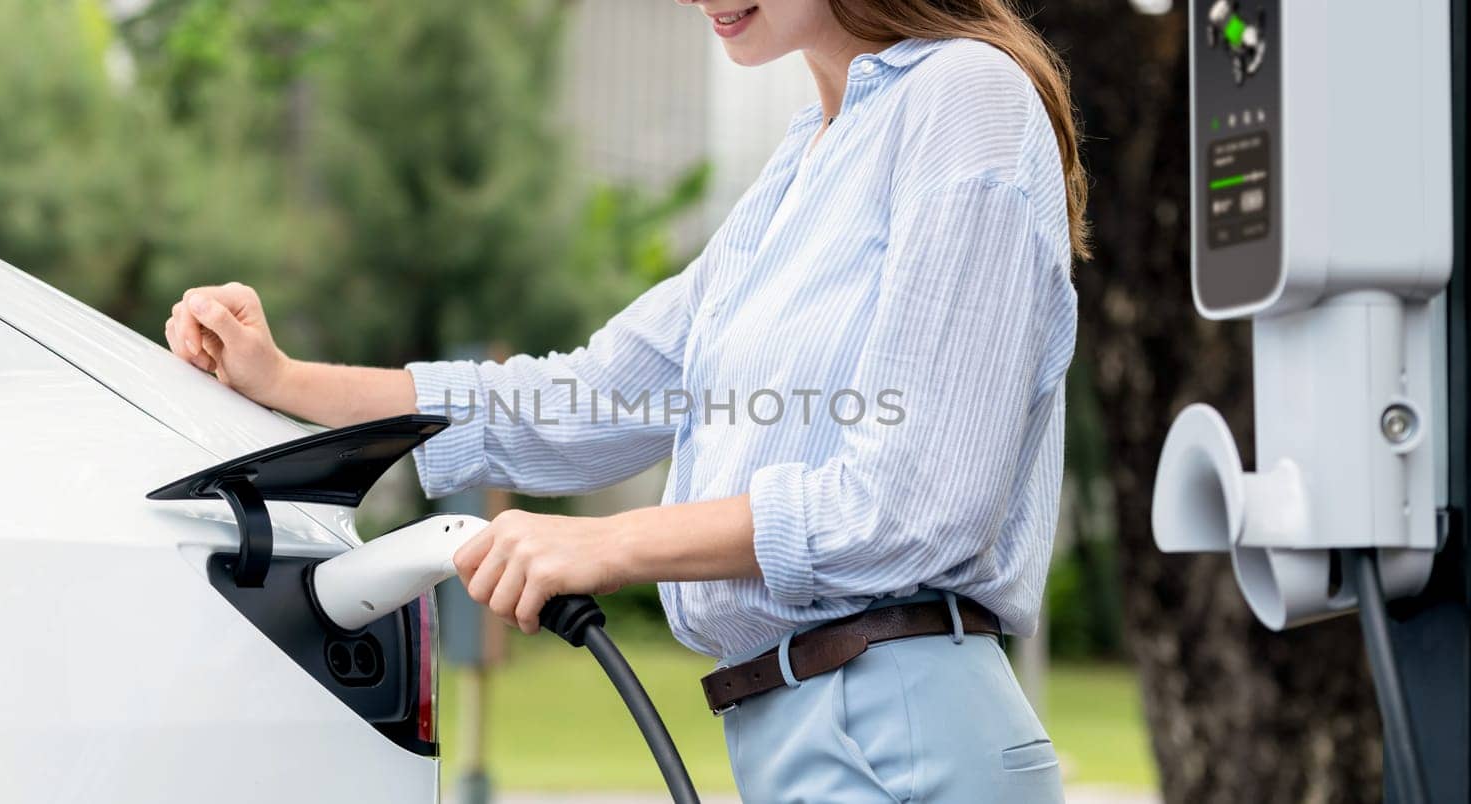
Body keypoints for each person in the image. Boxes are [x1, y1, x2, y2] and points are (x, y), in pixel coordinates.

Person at [165, 0, 1086, 800]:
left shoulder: (967, 100)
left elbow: (918, 503)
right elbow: (592, 400)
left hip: (903, 729)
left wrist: (603, 545)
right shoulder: (805, 161)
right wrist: (283, 381)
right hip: (797, 729)